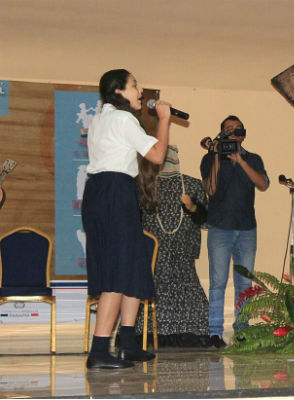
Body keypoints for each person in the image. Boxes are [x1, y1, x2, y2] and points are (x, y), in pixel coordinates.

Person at [82, 69, 171, 369]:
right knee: (118, 271)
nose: (141, 90)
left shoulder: (101, 119)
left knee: (133, 265)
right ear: (118, 91)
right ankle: (98, 351)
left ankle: (128, 342)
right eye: (135, 85)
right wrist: (165, 119)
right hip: (114, 192)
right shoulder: (122, 119)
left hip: (106, 192)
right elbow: (157, 155)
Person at [200, 115, 269, 348]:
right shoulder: (209, 158)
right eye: (227, 129)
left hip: (247, 229)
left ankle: (242, 332)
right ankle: (214, 334)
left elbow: (263, 184)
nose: (232, 132)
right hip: (220, 228)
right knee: (218, 282)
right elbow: (210, 189)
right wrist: (218, 156)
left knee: (244, 284)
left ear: (243, 134)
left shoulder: (254, 159)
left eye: (236, 129)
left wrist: (240, 160)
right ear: (221, 134)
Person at [137, 145, 211, 346]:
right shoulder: (144, 186)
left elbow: (204, 220)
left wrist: (193, 207)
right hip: (152, 259)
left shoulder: (193, 185)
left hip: (183, 256)